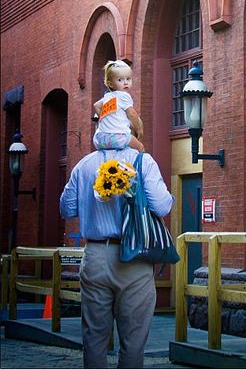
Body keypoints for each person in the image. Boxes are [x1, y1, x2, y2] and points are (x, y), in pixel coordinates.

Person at [60, 146, 174, 369]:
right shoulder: (143, 161)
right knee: (133, 341)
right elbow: (162, 206)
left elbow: (66, 208)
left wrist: (92, 203)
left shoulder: (84, 164)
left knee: (94, 337)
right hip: (134, 258)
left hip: (95, 254)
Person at [93, 60, 144, 153]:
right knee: (140, 148)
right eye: (120, 80)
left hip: (100, 139)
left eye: (128, 79)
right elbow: (132, 114)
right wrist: (139, 130)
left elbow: (96, 106)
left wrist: (105, 119)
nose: (125, 83)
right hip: (118, 137)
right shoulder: (124, 95)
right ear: (110, 84)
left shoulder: (107, 96)